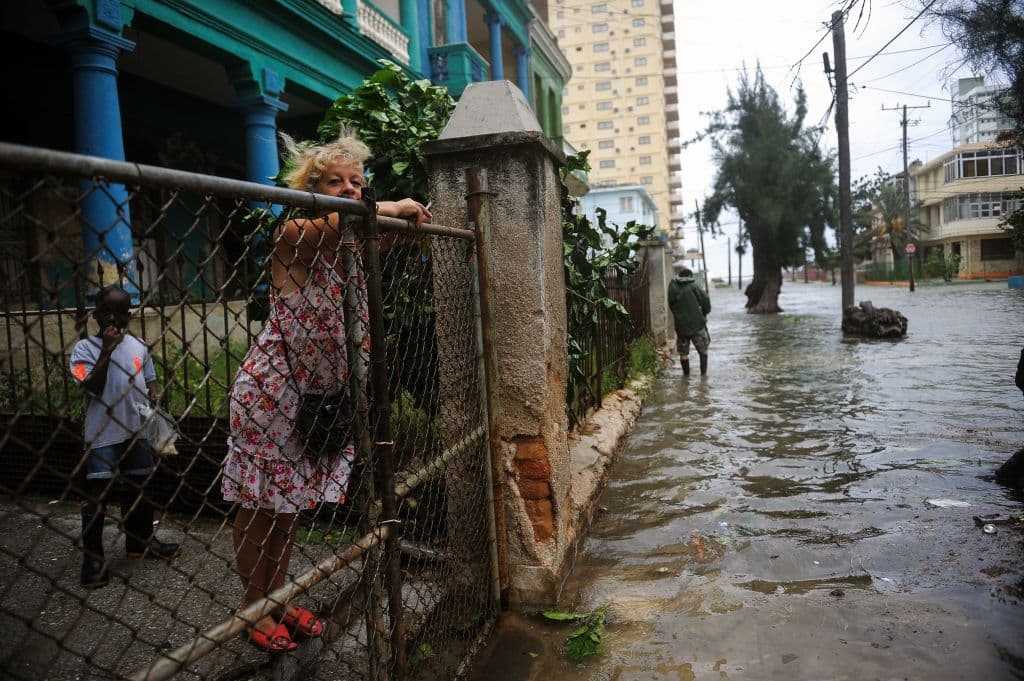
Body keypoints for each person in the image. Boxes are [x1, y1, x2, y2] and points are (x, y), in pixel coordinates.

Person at [222, 128, 430, 652]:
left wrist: (411, 219)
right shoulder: (295, 234)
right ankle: (253, 607)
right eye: (335, 182)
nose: (349, 190)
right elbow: (348, 222)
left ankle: (276, 598)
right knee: (260, 506)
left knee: (288, 507)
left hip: (318, 401)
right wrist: (393, 206)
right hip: (273, 393)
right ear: (311, 191)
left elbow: (403, 234)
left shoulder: (352, 246)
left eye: (356, 182)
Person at [69, 285, 181, 589]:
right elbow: (92, 387)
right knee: (98, 493)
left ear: (128, 316)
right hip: (102, 435)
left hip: (137, 431)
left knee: (140, 486)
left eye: (120, 312)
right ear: (95, 315)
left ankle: (139, 541)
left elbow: (150, 378)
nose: (112, 318)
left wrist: (155, 393)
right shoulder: (84, 350)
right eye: (106, 311)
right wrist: (107, 349)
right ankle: (93, 558)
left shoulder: (138, 346)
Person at [668, 267, 712, 376]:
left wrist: (678, 316)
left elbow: (671, 304)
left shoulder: (673, 287)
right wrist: (705, 312)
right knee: (703, 350)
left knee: (683, 353)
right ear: (690, 276)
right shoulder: (694, 285)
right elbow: (705, 300)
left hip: (681, 326)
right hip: (697, 324)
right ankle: (703, 376)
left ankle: (686, 377)